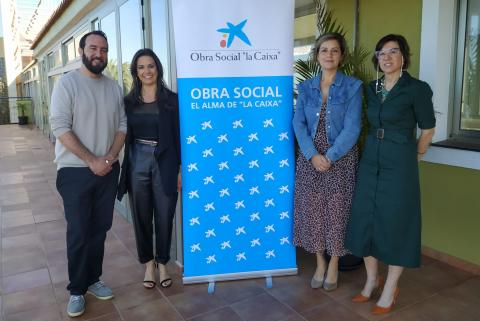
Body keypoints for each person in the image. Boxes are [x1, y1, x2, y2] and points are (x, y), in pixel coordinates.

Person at [345, 34, 436, 315]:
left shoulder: (417, 89)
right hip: (371, 157)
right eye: (381, 53)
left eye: (393, 52)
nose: (386, 57)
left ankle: (390, 287)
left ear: (403, 57)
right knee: (365, 219)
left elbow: (428, 129)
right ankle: (372, 279)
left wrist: (416, 155)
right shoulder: (371, 88)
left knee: (397, 222)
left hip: (400, 161)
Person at [50, 30, 127, 317]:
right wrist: (91, 160)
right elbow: (60, 126)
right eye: (93, 48)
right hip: (74, 172)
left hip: (108, 169)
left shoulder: (113, 87)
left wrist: (107, 159)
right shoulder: (67, 84)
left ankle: (93, 279)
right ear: (82, 51)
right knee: (79, 232)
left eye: (104, 50)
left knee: (99, 230)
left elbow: (122, 125)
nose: (99, 54)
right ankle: (76, 289)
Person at [292, 33, 362, 292]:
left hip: (340, 157)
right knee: (313, 211)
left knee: (337, 211)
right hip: (311, 157)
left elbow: (353, 127)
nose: (329, 55)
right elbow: (298, 123)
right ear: (317, 55)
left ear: (341, 55)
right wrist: (312, 155)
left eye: (334, 50)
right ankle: (319, 262)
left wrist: (330, 157)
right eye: (324, 50)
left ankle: (334, 263)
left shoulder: (353, 86)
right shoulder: (306, 87)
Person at [117, 48, 181, 290]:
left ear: (158, 69)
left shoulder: (172, 100)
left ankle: (163, 263)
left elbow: (179, 137)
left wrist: (180, 169)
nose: (147, 71)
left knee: (165, 216)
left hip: (165, 161)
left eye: (151, 66)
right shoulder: (128, 102)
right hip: (137, 161)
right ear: (135, 71)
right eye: (141, 67)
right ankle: (148, 264)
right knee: (141, 216)